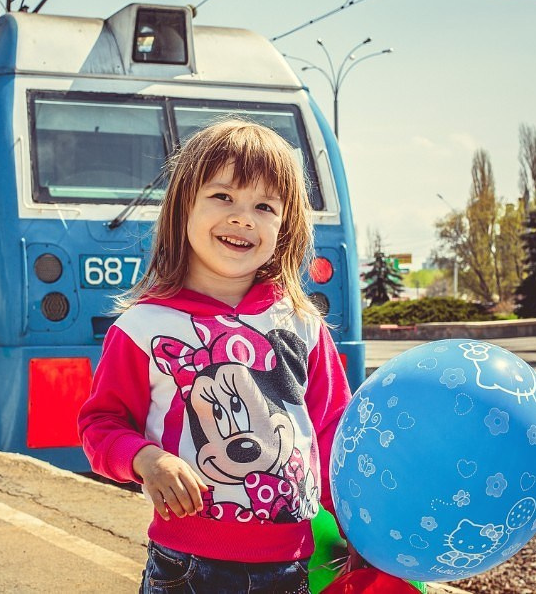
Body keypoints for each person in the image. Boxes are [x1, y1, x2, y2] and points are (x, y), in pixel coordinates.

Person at [78, 119, 352, 593]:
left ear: (284, 226)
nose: (243, 217)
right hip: (186, 566)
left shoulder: (303, 325)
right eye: (223, 197)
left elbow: (334, 431)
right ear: (183, 207)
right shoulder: (142, 328)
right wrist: (146, 460)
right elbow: (101, 424)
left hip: (293, 567)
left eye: (264, 206)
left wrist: (356, 523)